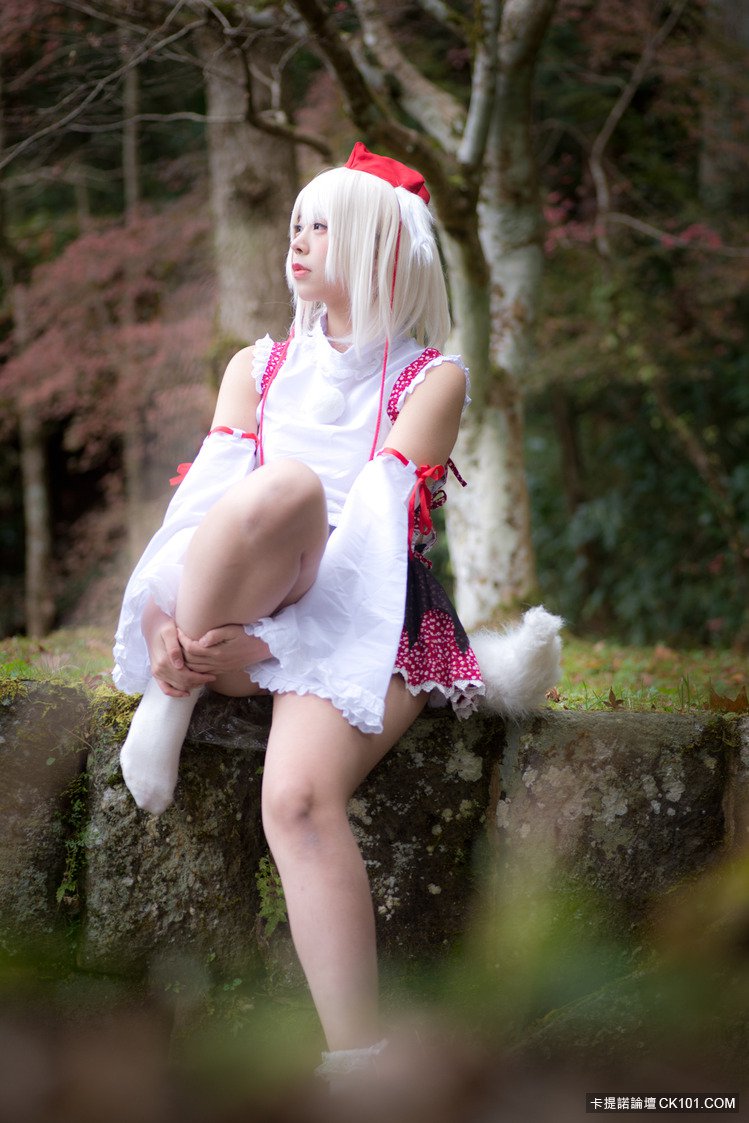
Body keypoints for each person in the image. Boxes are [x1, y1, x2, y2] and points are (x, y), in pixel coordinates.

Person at [112, 142, 560, 1083]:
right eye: (295, 225)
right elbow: (200, 513)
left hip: (366, 612)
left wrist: (275, 641)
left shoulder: (432, 378)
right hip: (233, 604)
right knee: (272, 488)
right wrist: (159, 622)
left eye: (322, 225)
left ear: (378, 245)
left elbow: (369, 540)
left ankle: (355, 1064)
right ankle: (174, 686)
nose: (300, 240)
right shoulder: (256, 366)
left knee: (297, 799)